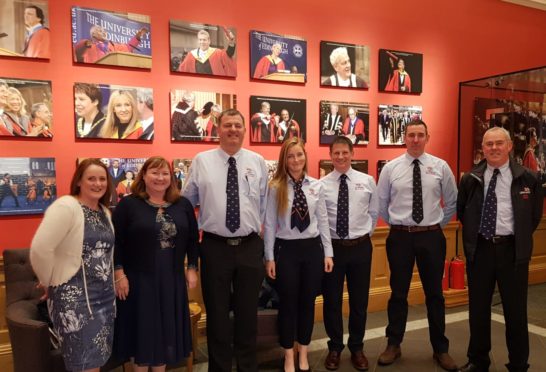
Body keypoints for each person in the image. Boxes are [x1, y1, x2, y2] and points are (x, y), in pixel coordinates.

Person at [184, 109, 268, 371]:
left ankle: (246, 367)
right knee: (218, 315)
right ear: (217, 130)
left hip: (249, 247)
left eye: (237, 125)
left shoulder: (258, 161)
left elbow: (264, 204)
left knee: (247, 315)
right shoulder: (201, 161)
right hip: (214, 247)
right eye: (227, 125)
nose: (233, 129)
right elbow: (187, 204)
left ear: (245, 130)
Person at [457, 127, 543, 372]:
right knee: (478, 309)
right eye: (488, 144)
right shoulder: (470, 178)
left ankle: (518, 364)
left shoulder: (528, 178)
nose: (493, 148)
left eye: (498, 143)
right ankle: (478, 360)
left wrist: (516, 239)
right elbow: (464, 212)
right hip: (481, 250)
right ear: (482, 149)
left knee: (516, 312)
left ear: (509, 147)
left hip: (513, 252)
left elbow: (534, 216)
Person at [376, 119, 458, 371]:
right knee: (398, 293)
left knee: (435, 294)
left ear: (427, 137)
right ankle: (393, 344)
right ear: (405, 137)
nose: (415, 139)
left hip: (431, 237)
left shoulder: (440, 167)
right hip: (400, 237)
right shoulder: (390, 168)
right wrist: (402, 226)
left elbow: (452, 202)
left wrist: (433, 227)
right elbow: (381, 204)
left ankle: (440, 349)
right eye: (411, 135)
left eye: (420, 135)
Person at [112, 156, 198, 371]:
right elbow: (116, 242)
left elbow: (192, 239)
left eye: (164, 173)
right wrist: (119, 274)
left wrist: (192, 268)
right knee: (144, 332)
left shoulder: (183, 204)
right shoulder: (129, 204)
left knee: (165, 333)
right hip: (139, 279)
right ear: (144, 175)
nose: (160, 178)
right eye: (154, 172)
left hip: (172, 278)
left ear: (171, 177)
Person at [30, 158, 115, 371]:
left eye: (102, 179)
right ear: (79, 181)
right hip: (74, 301)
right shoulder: (66, 206)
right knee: (83, 362)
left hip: (104, 298)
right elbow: (40, 249)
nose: (98, 184)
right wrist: (49, 280)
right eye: (91, 179)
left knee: (97, 360)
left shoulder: (104, 211)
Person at [264, 137, 334, 372]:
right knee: (288, 305)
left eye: (299, 155)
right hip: (286, 252)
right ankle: (288, 355)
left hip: (312, 250)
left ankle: (303, 351)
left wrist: (328, 254)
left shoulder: (316, 186)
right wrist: (270, 258)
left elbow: (323, 221)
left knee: (307, 303)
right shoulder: (275, 187)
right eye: (291, 156)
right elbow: (270, 224)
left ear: (305, 157)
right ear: (284, 159)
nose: (296, 160)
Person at [321, 136, 378, 371]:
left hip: (361, 248)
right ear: (331, 155)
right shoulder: (321, 184)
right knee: (331, 301)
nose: (341, 157)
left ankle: (357, 347)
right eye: (336, 153)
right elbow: (321, 221)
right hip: (333, 251)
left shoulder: (367, 181)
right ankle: (335, 346)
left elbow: (374, 214)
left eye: (345, 152)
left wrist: (362, 235)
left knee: (359, 301)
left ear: (352, 153)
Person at [74, 25, 148, 63]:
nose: (103, 32)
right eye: (100, 31)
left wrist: (137, 36)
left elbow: (128, 48)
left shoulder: (113, 45)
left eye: (104, 31)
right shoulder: (89, 47)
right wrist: (85, 43)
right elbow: (78, 50)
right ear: (93, 34)